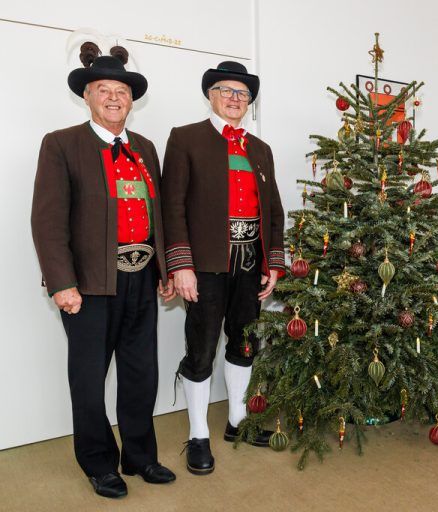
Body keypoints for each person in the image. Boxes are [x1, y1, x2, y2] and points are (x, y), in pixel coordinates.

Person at [30, 44, 176, 499]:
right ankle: (98, 463)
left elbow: (158, 215)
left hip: (141, 278)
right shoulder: (61, 144)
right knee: (89, 380)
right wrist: (62, 283)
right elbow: (48, 221)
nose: (114, 98)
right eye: (104, 90)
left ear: (132, 100)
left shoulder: (146, 148)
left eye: (122, 91)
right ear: (87, 96)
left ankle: (140, 456)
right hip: (90, 285)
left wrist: (165, 270)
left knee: (141, 373)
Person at [162, 61, 286, 475]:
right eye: (226, 91)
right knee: (201, 347)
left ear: (249, 102)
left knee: (245, 341)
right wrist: (181, 265)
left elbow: (274, 211)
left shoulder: (260, 148)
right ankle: (198, 434)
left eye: (242, 94)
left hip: (250, 262)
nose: (235, 99)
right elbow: (172, 207)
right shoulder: (185, 138)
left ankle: (238, 421)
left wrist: (274, 262)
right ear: (210, 95)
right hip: (205, 264)